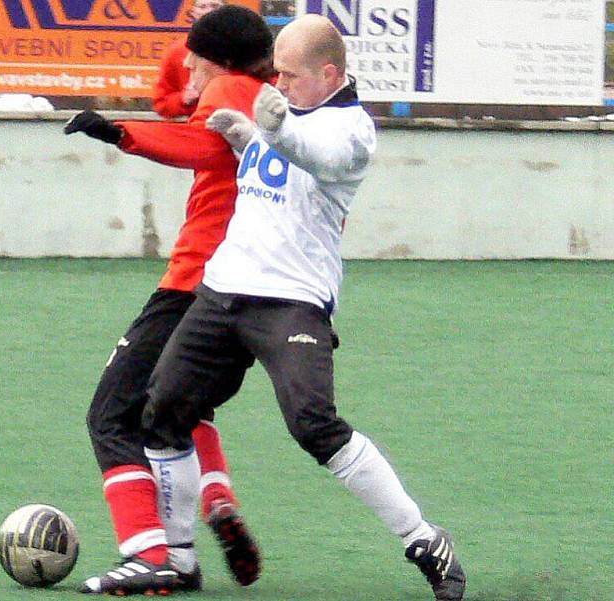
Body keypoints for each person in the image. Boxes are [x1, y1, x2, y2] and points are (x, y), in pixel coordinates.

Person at [140, 14, 467, 601]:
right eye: (276, 73)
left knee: (315, 425)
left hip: (291, 302)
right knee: (162, 413)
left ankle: (422, 538)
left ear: (329, 73)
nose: (279, 84)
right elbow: (273, 174)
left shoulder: (352, 128)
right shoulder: (284, 107)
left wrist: (273, 130)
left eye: (290, 75)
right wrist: (247, 140)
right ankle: (179, 560)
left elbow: (314, 156)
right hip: (224, 288)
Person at [63, 6, 275, 595]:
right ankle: (214, 496)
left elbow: (198, 146)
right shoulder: (263, 90)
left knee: (111, 414)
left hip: (195, 283)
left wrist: (118, 133)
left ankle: (150, 553)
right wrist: (195, 59)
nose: (184, 64)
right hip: (250, 288)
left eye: (196, 57)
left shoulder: (232, 89)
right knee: (180, 408)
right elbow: (173, 101)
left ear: (224, 63)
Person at [152, 0, 225, 118]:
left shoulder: (244, 48)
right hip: (198, 127)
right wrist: (184, 98)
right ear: (193, 12)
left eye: (215, 6)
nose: (209, 11)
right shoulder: (177, 51)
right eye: (202, 6)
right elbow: (162, 105)